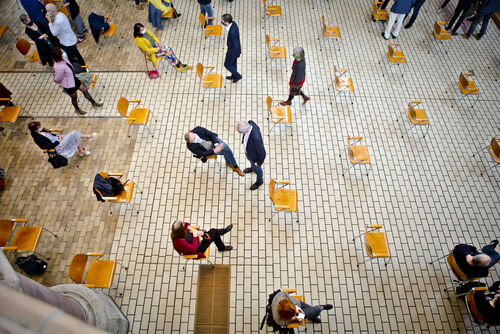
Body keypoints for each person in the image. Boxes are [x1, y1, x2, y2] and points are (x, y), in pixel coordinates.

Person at [52, 48, 102, 115]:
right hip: (68, 85)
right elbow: (58, 78)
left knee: (84, 90)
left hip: (73, 79)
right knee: (74, 97)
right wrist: (56, 80)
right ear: (59, 54)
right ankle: (77, 109)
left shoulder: (63, 59)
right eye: (61, 51)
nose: (63, 52)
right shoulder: (58, 66)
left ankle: (93, 103)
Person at [29, 121, 96, 157]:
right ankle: (86, 140)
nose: (41, 127)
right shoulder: (38, 139)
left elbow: (51, 134)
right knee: (74, 135)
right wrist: (59, 140)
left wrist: (58, 136)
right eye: (39, 127)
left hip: (58, 139)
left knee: (74, 136)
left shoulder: (41, 131)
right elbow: (50, 146)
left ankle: (82, 148)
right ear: (35, 130)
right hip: (57, 146)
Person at [236, 121, 266, 190]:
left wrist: (258, 163)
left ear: (245, 130)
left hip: (255, 158)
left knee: (258, 169)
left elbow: (263, 153)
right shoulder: (250, 123)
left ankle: (259, 181)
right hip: (250, 153)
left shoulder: (256, 138)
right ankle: (252, 168)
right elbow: (251, 121)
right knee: (252, 164)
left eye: (240, 132)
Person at [221, 14, 242, 83]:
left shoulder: (232, 32)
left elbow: (236, 45)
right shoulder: (233, 23)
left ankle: (237, 75)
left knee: (227, 64)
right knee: (233, 64)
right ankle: (234, 76)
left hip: (233, 51)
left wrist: (234, 53)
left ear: (226, 22)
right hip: (233, 49)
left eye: (222, 21)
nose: (222, 22)